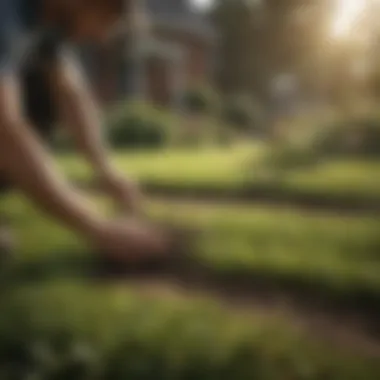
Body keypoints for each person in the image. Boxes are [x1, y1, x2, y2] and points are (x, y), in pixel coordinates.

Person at [0, 0, 169, 263]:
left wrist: (106, 169)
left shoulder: (44, 24)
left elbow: (71, 94)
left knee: (44, 95)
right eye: (107, 19)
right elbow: (5, 132)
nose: (101, 37)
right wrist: (96, 227)